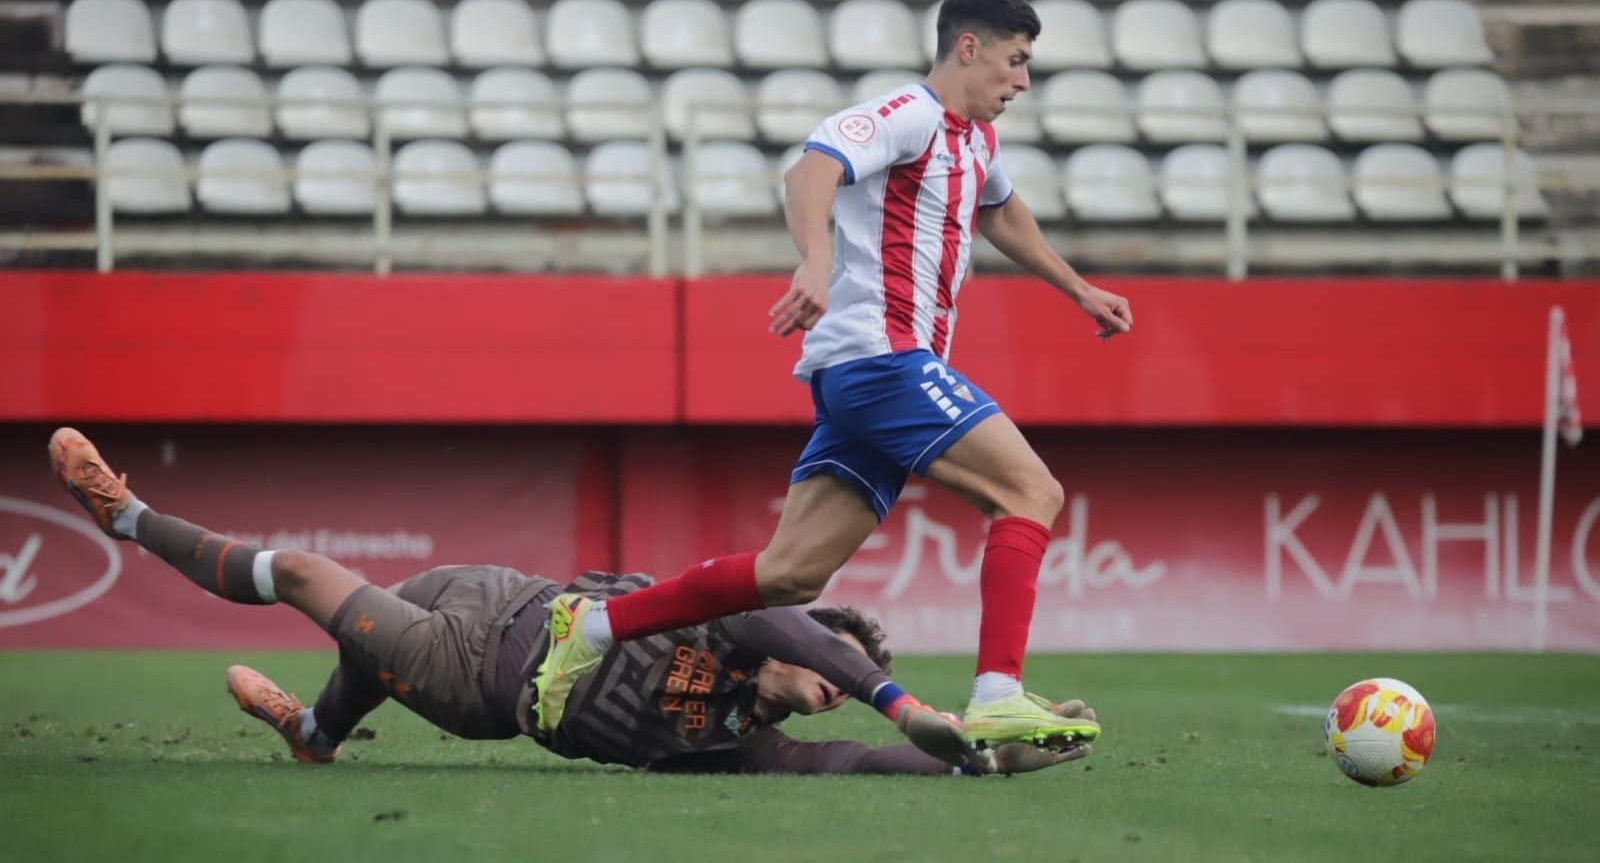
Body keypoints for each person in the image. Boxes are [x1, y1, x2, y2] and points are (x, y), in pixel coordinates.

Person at [537, 0, 1132, 750]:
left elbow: (1000, 209)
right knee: (1030, 491)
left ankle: (592, 625)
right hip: (882, 359)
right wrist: (816, 260)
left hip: (869, 375)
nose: (1022, 81)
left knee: (789, 576)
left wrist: (1078, 287)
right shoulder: (908, 114)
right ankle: (997, 695)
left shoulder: (977, 140)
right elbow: (810, 168)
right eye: (1015, 62)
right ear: (968, 48)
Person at [47, 427, 1094, 776]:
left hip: (480, 684)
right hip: (499, 590)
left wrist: (982, 752)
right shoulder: (735, 619)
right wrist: (893, 692)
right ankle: (315, 733)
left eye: (834, 684)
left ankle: (130, 518)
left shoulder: (744, 742)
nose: (824, 691)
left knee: (317, 582)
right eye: (826, 667)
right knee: (363, 647)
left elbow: (862, 762)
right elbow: (775, 612)